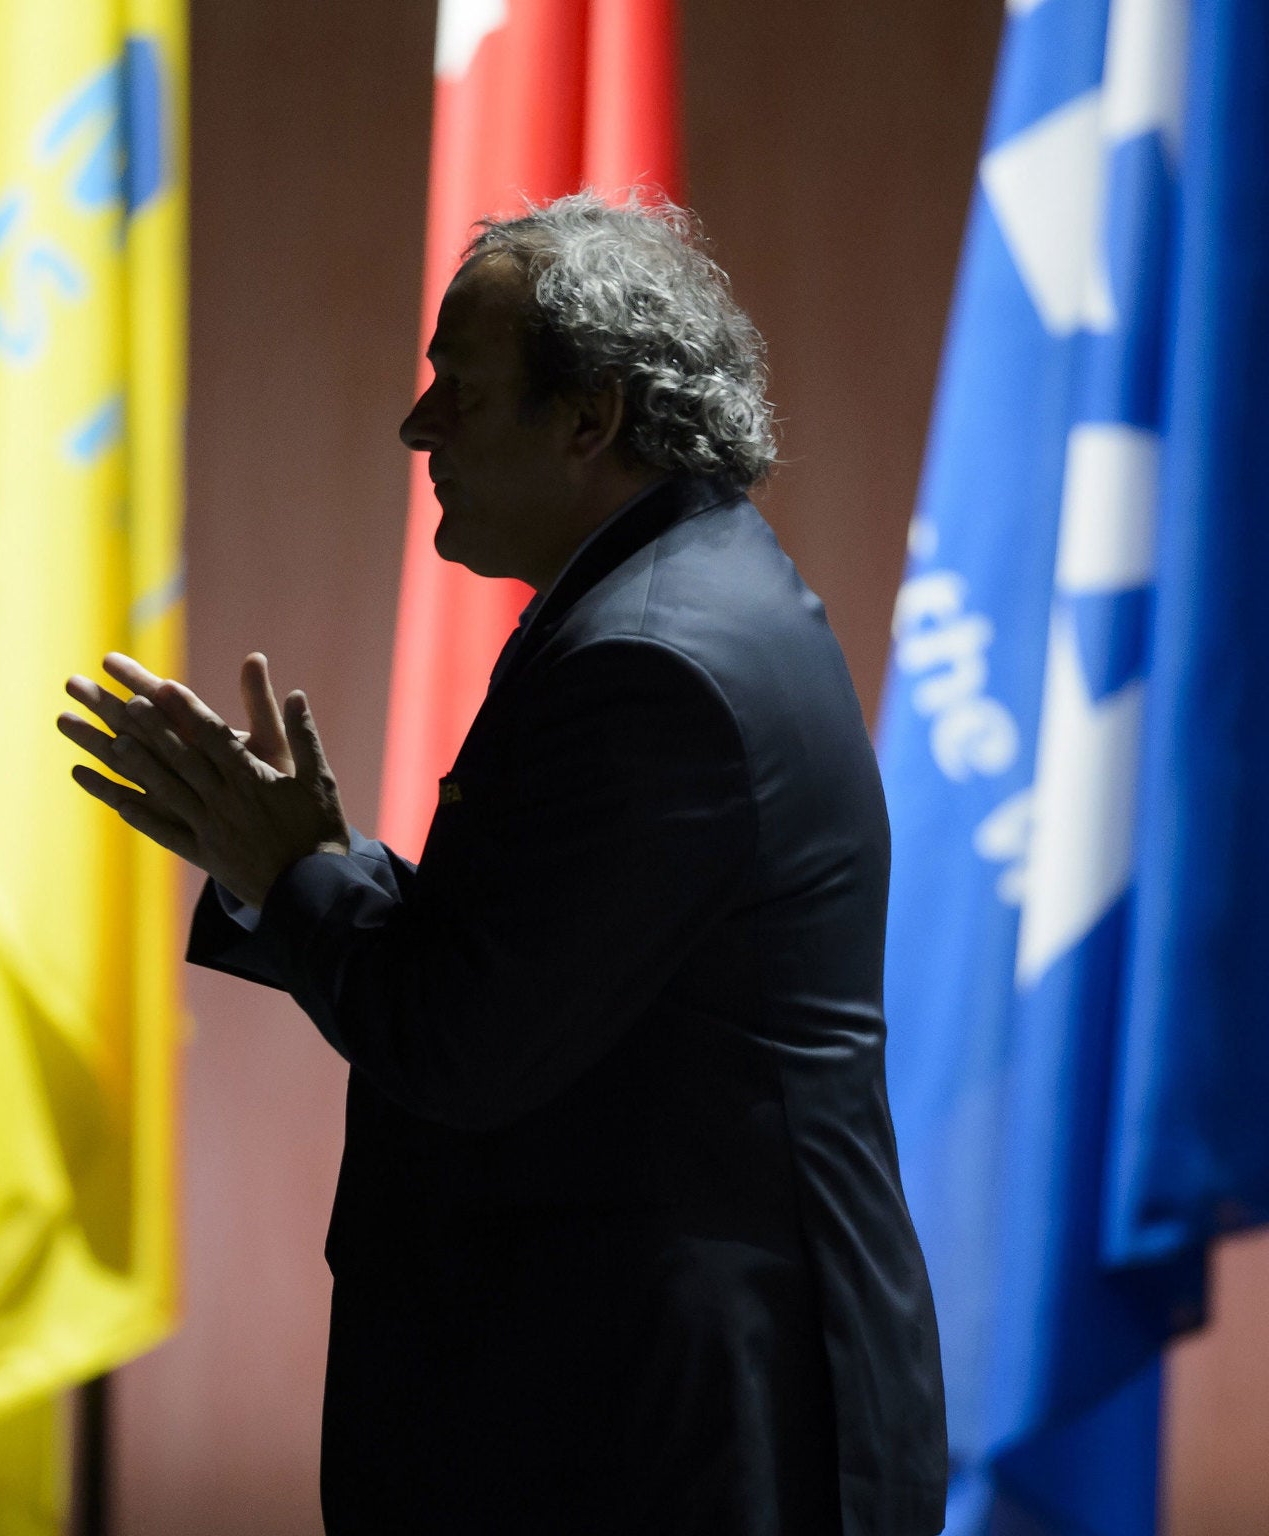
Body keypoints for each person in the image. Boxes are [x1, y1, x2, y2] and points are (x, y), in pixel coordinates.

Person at [57, 192, 947, 1536]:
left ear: (587, 419)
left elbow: (464, 1043)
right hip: (657, 1416)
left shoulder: (652, 662)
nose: (419, 429)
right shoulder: (676, 598)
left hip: (675, 1445)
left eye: (458, 391)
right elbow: (526, 972)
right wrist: (281, 864)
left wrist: (296, 874)